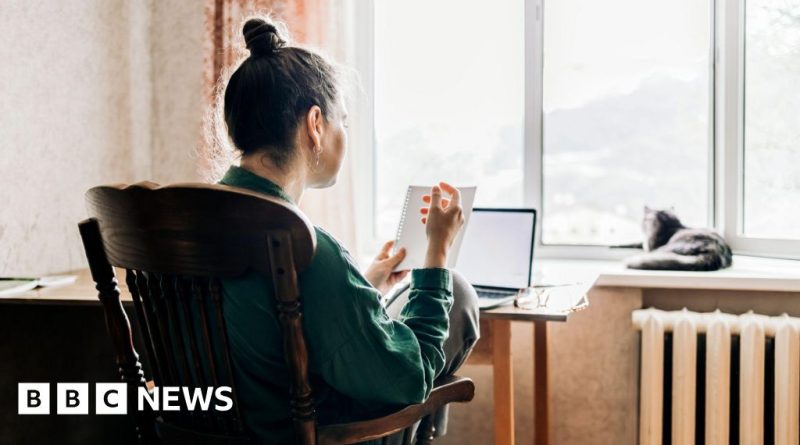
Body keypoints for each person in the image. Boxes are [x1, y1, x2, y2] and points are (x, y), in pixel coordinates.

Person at [215, 16, 479, 444]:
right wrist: (437, 256)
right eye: (344, 121)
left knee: (393, 304)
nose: (346, 134)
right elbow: (409, 379)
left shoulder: (193, 226)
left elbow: (272, 325)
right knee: (459, 293)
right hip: (316, 435)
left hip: (216, 429)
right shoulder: (306, 247)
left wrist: (364, 282)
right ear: (315, 125)